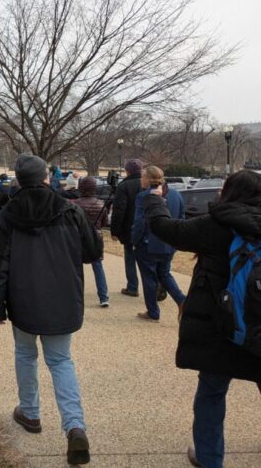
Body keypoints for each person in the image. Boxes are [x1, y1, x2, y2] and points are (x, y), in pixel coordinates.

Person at [0, 154, 102, 466]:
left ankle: (31, 412)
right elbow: (94, 251)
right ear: (46, 178)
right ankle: (74, 425)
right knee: (61, 361)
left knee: (26, 355)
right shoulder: (70, 210)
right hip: (62, 298)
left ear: (19, 181)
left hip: (23, 299)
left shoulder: (7, 214)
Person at [142, 169, 261, 468]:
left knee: (211, 392)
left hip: (218, 325)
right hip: (259, 326)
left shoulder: (216, 224)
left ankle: (210, 460)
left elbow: (166, 229)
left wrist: (155, 199)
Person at [131, 165, 186, 322]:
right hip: (168, 244)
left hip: (148, 244)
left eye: (142, 176)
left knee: (149, 278)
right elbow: (182, 218)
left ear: (148, 179)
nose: (140, 179)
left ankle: (153, 312)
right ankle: (182, 300)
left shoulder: (143, 196)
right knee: (164, 274)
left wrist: (135, 241)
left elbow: (140, 222)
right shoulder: (176, 194)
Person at [111, 159, 144, 297]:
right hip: (146, 228)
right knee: (147, 259)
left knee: (130, 257)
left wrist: (115, 230)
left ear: (127, 171)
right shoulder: (148, 184)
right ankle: (154, 286)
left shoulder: (124, 186)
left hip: (129, 228)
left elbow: (119, 210)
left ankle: (132, 286)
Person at [75, 176, 110, 307]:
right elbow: (105, 223)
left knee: (76, 267)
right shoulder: (101, 204)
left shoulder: (75, 204)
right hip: (96, 237)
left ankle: (76, 296)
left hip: (79, 237)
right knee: (98, 267)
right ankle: (103, 297)